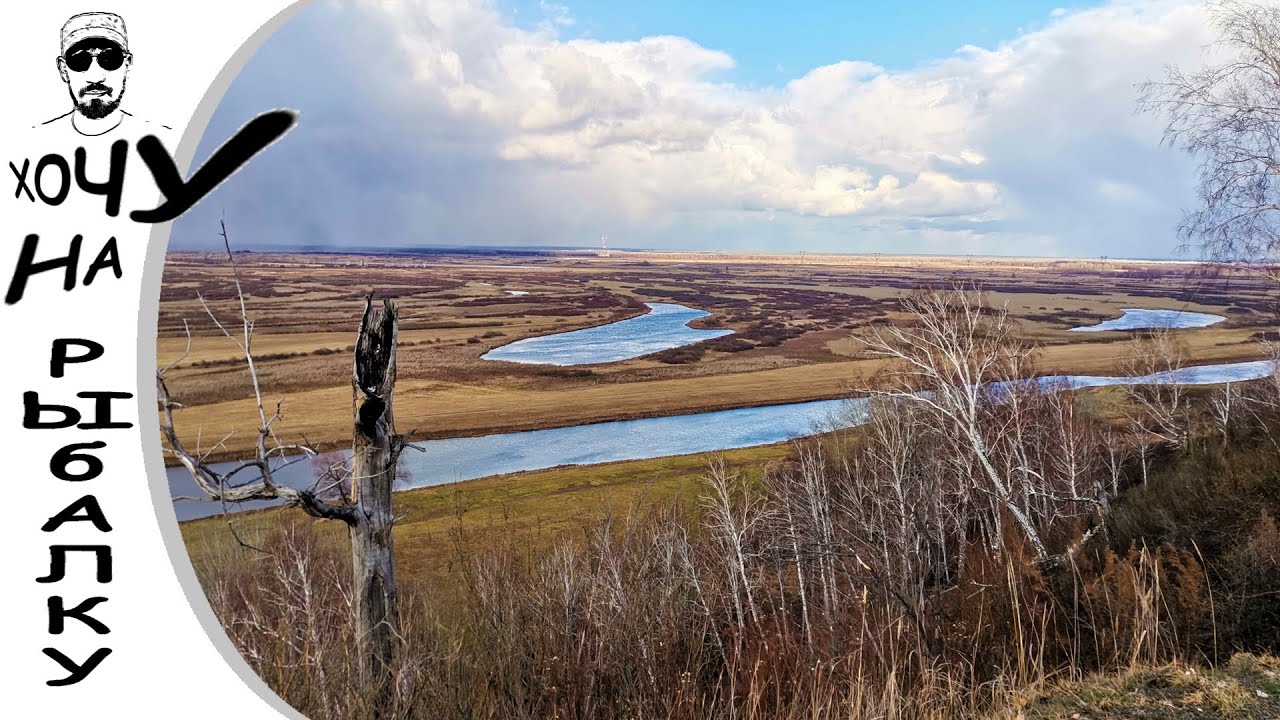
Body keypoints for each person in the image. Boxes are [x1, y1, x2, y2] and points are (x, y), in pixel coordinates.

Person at [37, 11, 169, 138]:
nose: (95, 77)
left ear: (127, 65)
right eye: (80, 61)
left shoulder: (167, 141)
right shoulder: (34, 142)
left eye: (109, 59)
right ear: (63, 69)